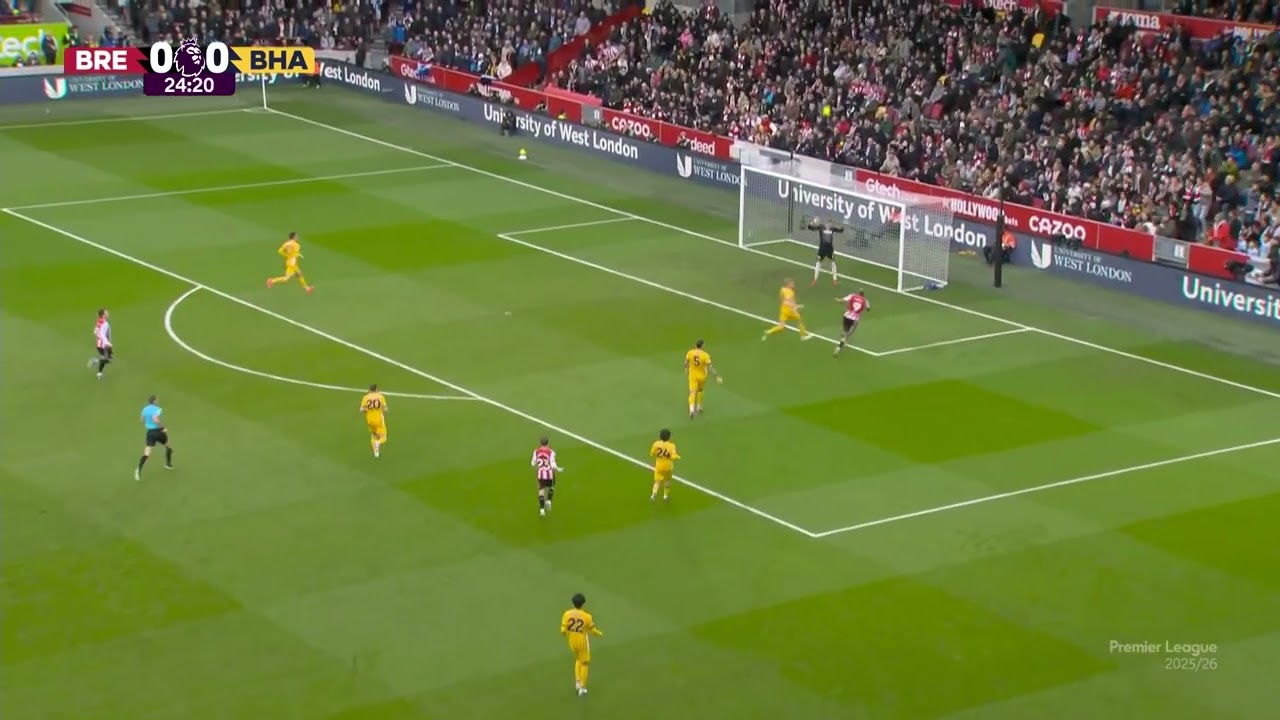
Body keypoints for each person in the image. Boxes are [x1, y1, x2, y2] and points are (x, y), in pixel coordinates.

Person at [561, 592, 603, 696]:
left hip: (572, 641)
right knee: (584, 663)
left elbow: (562, 630)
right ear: (583, 603)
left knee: (578, 659)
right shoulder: (587, 616)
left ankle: (577, 682)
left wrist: (569, 633)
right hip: (582, 641)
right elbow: (593, 630)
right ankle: (582, 688)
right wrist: (600, 633)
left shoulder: (567, 614)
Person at [136, 395, 173, 481]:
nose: (158, 401)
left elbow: (142, 420)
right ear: (154, 401)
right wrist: (162, 428)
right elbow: (155, 419)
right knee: (167, 445)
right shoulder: (157, 409)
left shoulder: (145, 409)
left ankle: (139, 469)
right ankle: (168, 464)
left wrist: (148, 424)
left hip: (150, 433)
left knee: (147, 453)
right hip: (158, 432)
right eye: (157, 400)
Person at [683, 339, 722, 419]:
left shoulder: (690, 352)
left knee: (692, 392)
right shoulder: (705, 355)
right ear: (702, 346)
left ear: (696, 345)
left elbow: (686, 362)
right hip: (702, 375)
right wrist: (716, 376)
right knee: (700, 390)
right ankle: (699, 406)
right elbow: (710, 367)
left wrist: (686, 369)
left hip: (693, 375)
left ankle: (691, 410)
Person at [531, 437, 563, 516]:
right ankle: (548, 501)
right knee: (551, 487)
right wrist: (558, 469)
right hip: (549, 475)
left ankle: (542, 510)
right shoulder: (551, 452)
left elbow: (532, 463)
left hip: (540, 475)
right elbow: (553, 465)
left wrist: (538, 466)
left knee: (541, 491)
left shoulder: (536, 451)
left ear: (540, 443)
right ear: (547, 443)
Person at [807, 216, 843, 286]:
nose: (829, 224)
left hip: (829, 249)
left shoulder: (832, 228)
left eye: (830, 223)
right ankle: (815, 279)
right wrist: (812, 222)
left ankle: (834, 279)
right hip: (822, 248)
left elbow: (841, 230)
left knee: (832, 262)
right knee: (819, 263)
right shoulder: (821, 226)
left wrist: (839, 225)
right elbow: (810, 228)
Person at [833, 290, 870, 357]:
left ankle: (844, 339)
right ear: (863, 294)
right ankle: (839, 346)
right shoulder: (865, 300)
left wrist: (838, 300)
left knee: (845, 331)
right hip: (854, 319)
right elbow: (868, 309)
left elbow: (842, 300)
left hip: (846, 316)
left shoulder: (852, 295)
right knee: (851, 331)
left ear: (858, 293)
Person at [649, 428, 680, 501]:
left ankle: (653, 494)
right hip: (668, 466)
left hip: (659, 465)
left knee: (657, 481)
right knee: (667, 480)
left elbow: (652, 453)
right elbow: (673, 456)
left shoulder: (656, 444)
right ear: (669, 437)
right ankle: (665, 496)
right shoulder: (671, 445)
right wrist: (677, 457)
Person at [359, 384, 388, 458]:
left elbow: (361, 409)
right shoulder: (380, 397)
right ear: (376, 389)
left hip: (369, 419)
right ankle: (378, 443)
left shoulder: (366, 397)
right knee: (383, 437)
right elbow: (385, 409)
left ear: (369, 389)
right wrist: (379, 409)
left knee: (374, 435)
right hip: (378, 418)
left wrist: (369, 409)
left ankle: (376, 453)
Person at [89, 308, 113, 380]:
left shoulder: (99, 321)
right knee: (107, 359)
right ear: (103, 315)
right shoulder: (105, 323)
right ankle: (95, 361)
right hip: (104, 345)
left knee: (106, 358)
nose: (108, 313)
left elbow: (95, 332)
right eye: (106, 313)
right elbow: (102, 335)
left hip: (99, 344)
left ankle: (99, 373)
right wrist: (107, 343)